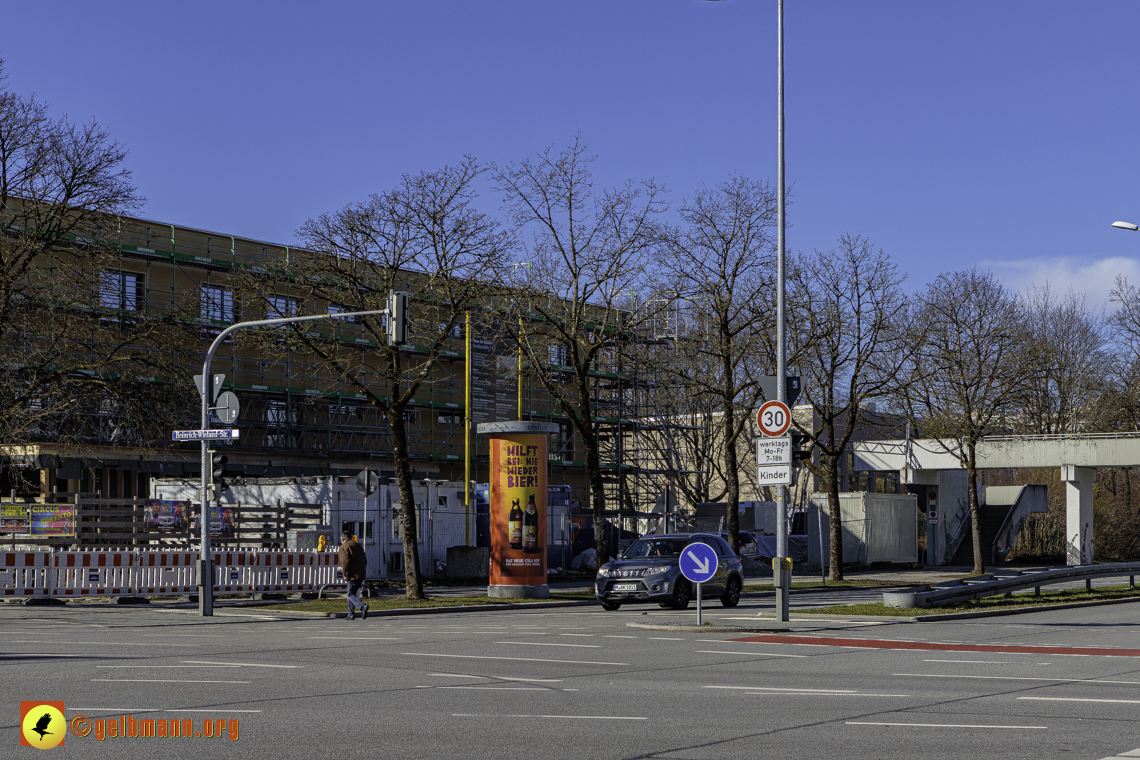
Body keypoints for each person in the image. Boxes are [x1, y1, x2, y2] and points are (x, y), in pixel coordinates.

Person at [338, 530, 368, 620]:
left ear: (342, 539)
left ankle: (362, 606)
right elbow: (365, 560)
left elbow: (345, 562)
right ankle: (351, 614)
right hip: (361, 573)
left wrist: (345, 574)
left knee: (351, 594)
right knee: (352, 593)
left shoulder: (344, 547)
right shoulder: (358, 545)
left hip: (352, 574)